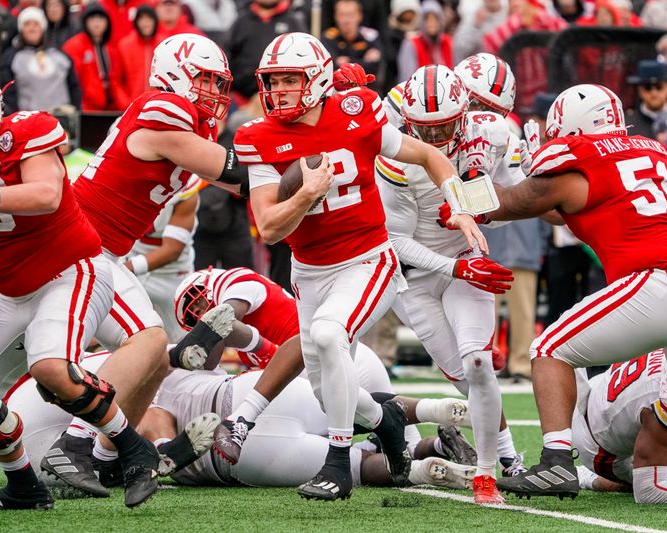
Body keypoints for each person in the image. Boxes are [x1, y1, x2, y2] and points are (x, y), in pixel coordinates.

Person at [236, 33, 487, 501]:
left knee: (331, 335)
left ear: (317, 80)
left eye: (291, 79)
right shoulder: (259, 136)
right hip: (309, 271)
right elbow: (268, 227)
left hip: (368, 259)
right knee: (324, 390)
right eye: (274, 81)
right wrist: (308, 193)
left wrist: (464, 206)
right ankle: (386, 420)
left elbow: (429, 154)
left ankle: (337, 463)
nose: (280, 90)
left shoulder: (357, 112)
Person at [0, 51, 159, 511]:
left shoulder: (24, 128)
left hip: (71, 270)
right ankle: (24, 487)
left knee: (50, 366)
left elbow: (44, 194)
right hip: (13, 292)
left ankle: (136, 450)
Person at [50, 33, 249, 497]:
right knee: (149, 343)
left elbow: (248, 186)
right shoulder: (163, 108)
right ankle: (74, 444)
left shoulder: (180, 121)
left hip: (102, 252)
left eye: (220, 85)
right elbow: (239, 174)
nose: (215, 95)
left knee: (155, 360)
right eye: (205, 81)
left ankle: (101, 458)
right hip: (82, 249)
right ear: (174, 73)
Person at [461, 84, 667, 500]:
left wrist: (471, 174)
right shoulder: (650, 148)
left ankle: (556, 462)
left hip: (657, 280)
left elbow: (509, 203)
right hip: (662, 280)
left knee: (549, 350)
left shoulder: (580, 156)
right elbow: (563, 208)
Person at [10, 347, 477, 492]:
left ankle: (426, 463)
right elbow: (155, 414)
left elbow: (151, 425)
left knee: (357, 468)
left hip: (235, 461)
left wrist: (166, 455)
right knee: (349, 403)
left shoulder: (73, 427)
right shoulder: (133, 364)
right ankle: (432, 418)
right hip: (243, 402)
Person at [376, 64, 524, 505]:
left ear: (465, 112)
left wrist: (483, 207)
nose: (437, 137)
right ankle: (510, 455)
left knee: (478, 363)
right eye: (426, 128)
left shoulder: (492, 131)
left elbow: (515, 196)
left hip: (464, 258)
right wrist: (456, 267)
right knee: (464, 378)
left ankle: (487, 473)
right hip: (417, 277)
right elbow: (396, 239)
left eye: (445, 126)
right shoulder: (395, 155)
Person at [170, 267, 479, 469]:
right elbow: (212, 351)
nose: (199, 313)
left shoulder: (236, 282)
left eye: (196, 303)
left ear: (206, 282)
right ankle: (442, 442)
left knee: (347, 433)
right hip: (332, 360)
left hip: (333, 361)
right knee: (404, 449)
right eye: (192, 315)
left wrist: (194, 343)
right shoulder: (228, 323)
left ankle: (433, 412)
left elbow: (226, 320)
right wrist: (199, 342)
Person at [573, 350, 667, 504]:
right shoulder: (665, 398)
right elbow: (648, 490)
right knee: (638, 480)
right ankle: (587, 477)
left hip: (602, 387)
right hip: (596, 443)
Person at [123, 175, 199, 342]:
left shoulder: (186, 188)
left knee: (185, 342)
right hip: (130, 259)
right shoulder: (123, 175)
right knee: (122, 336)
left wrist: (125, 268)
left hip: (171, 275)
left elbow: (172, 250)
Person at [0, 6, 81, 115]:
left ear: (43, 28)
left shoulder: (59, 55)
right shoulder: (11, 57)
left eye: (36, 24)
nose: (32, 28)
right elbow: (7, 91)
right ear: (21, 29)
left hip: (60, 118)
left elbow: (74, 86)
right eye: (27, 24)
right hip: (27, 119)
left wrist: (74, 110)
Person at [225, 0, 306, 101]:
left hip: (283, 97)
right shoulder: (241, 22)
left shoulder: (293, 22)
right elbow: (227, 58)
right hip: (242, 100)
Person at [62, 2, 129, 111]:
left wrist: (125, 106)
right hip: (86, 109)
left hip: (111, 108)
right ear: (85, 22)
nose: (97, 23)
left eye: (101, 19)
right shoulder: (75, 46)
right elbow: (73, 82)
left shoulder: (112, 48)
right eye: (92, 19)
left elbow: (117, 81)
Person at [321, 0, 384, 92]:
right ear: (335, 16)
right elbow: (331, 67)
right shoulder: (328, 37)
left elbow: (376, 67)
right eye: (342, 15)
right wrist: (363, 61)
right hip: (337, 91)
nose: (346, 20)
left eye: (350, 15)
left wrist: (347, 61)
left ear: (359, 16)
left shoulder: (371, 36)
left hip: (367, 89)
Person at [396, 0, 452, 82]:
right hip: (419, 90)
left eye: (435, 18)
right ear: (422, 21)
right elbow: (407, 79)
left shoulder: (447, 42)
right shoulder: (411, 43)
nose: (432, 23)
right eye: (427, 19)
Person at [117, 5, 160, 101]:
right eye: (141, 19)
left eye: (149, 18)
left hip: (157, 107)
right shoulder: (124, 45)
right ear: (136, 22)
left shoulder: (163, 45)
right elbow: (116, 80)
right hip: (132, 106)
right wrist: (125, 104)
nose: (145, 23)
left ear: (155, 21)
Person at [625, 60, 667, 141]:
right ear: (640, 91)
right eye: (647, 87)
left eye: (659, 87)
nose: (654, 93)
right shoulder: (628, 125)